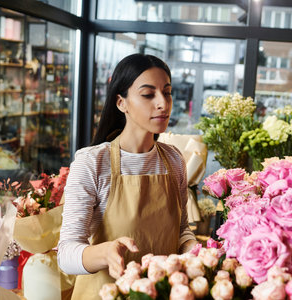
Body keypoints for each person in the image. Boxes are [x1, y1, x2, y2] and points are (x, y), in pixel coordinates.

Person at [58, 53, 198, 299]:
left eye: (166, 92)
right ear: (121, 102)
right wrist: (105, 253)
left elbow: (181, 230)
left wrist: (194, 248)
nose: (163, 104)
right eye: (148, 94)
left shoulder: (174, 160)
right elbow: (66, 253)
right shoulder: (92, 162)